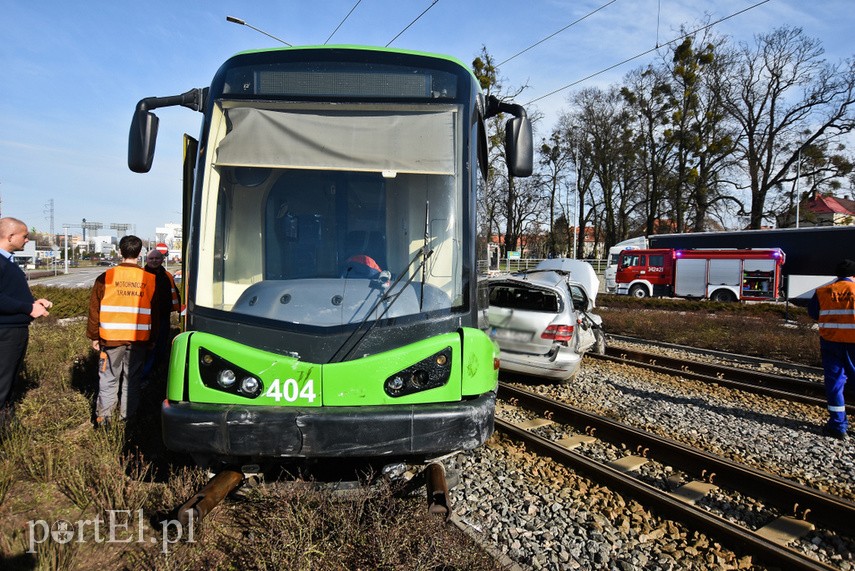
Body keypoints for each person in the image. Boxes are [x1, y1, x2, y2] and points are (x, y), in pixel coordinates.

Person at [86, 235, 158, 427]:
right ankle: (128, 420)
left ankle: (104, 420)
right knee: (131, 380)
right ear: (140, 253)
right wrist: (153, 338)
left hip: (111, 339)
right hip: (138, 340)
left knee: (108, 378)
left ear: (120, 251)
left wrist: (94, 336)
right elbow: (155, 313)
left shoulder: (106, 277)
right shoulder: (149, 279)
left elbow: (94, 309)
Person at [0, 217, 51, 423]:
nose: (27, 240)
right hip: (6, 332)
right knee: (3, 380)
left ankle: (7, 423)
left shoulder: (7, 261)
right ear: (10, 236)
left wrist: (33, 302)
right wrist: (28, 308)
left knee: (9, 379)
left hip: (14, 330)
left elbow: (8, 293)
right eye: (25, 236)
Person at [808, 258, 855, 441]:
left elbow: (813, 313)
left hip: (831, 342)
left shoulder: (823, 291)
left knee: (835, 384)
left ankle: (838, 426)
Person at [141, 249, 180, 379]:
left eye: (157, 258)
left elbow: (174, 292)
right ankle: (145, 375)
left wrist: (180, 309)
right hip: (146, 317)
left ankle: (156, 371)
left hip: (163, 316)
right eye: (151, 259)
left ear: (162, 260)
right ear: (146, 260)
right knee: (148, 346)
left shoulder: (167, 275)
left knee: (161, 344)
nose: (154, 261)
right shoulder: (141, 275)